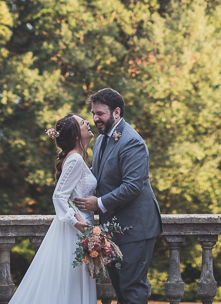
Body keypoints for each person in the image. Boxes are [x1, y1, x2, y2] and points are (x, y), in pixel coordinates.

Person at [73, 88, 163, 304]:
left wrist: (98, 203)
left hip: (135, 228)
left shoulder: (132, 141)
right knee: (121, 291)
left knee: (132, 290)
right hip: (112, 230)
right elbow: (97, 177)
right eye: (93, 113)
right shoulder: (101, 140)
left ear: (116, 112)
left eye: (100, 113)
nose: (95, 118)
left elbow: (133, 186)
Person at [7, 113, 98, 304]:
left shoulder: (79, 158)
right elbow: (58, 196)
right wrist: (76, 223)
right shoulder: (75, 159)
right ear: (76, 135)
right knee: (70, 286)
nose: (88, 122)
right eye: (83, 122)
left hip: (83, 229)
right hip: (75, 231)